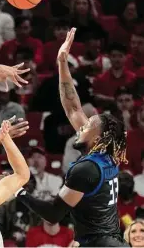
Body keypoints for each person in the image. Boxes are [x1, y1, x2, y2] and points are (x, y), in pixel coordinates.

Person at [14, 28, 129, 247]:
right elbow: (73, 107)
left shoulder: (86, 169)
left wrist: (18, 192)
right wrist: (62, 63)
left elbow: (54, 213)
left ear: (98, 138)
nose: (82, 125)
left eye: (88, 125)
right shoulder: (106, 155)